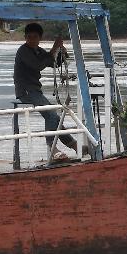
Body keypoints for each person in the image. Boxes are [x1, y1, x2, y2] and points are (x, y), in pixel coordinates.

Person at [13, 22, 79, 160]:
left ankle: (74, 145)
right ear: (25, 37)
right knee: (52, 115)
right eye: (29, 37)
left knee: (54, 117)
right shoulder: (23, 51)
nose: (32, 40)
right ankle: (52, 148)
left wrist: (61, 52)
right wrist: (53, 49)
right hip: (25, 91)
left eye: (35, 37)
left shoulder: (38, 50)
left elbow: (53, 62)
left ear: (39, 38)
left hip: (35, 91)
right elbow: (38, 65)